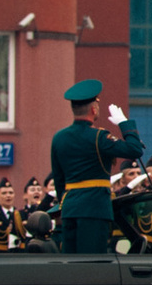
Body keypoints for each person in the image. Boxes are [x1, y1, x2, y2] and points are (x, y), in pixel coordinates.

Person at [48, 80, 142, 255]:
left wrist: (66, 205)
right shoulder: (99, 137)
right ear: (93, 109)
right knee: (92, 264)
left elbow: (59, 179)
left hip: (69, 210)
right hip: (95, 209)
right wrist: (124, 123)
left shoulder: (59, 138)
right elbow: (135, 150)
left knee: (70, 263)